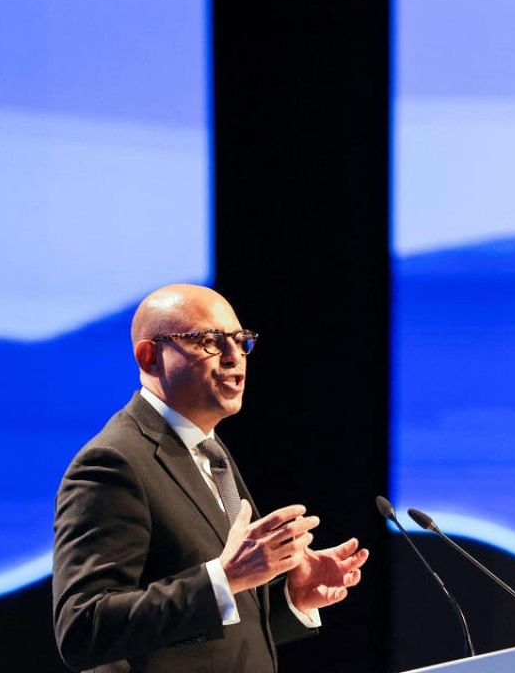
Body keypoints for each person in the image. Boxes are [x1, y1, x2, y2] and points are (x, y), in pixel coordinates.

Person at [52, 283, 369, 672]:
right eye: (210, 342)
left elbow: (211, 632)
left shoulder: (210, 452)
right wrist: (225, 577)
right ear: (150, 357)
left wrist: (291, 598)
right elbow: (84, 629)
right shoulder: (113, 464)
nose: (235, 357)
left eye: (240, 341)